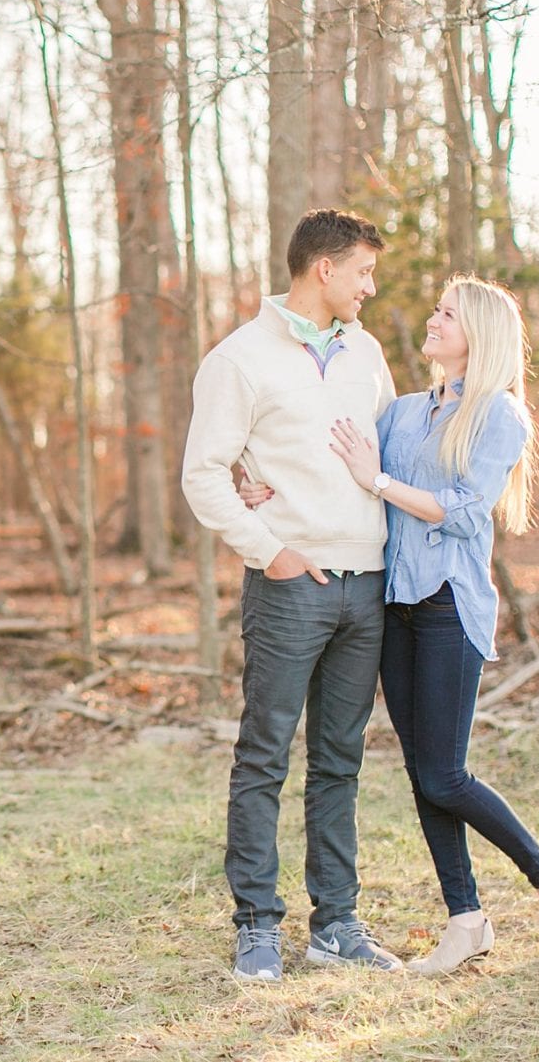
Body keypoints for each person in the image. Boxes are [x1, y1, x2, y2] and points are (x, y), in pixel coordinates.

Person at [253, 274, 539, 973]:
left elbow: (467, 510)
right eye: (437, 309)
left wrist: (379, 482)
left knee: (444, 772)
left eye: (446, 314)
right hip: (396, 606)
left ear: (480, 335)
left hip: (448, 604)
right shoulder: (405, 411)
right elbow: (329, 452)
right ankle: (465, 915)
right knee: (423, 770)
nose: (433, 320)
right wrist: (254, 478)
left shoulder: (499, 415)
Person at [181, 209, 402, 982]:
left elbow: (387, 452)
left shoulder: (367, 353)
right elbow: (203, 473)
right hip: (289, 587)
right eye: (363, 272)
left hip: (365, 583)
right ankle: (256, 925)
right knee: (265, 756)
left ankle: (335, 923)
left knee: (340, 760)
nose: (370, 287)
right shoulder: (239, 360)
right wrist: (268, 550)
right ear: (324, 270)